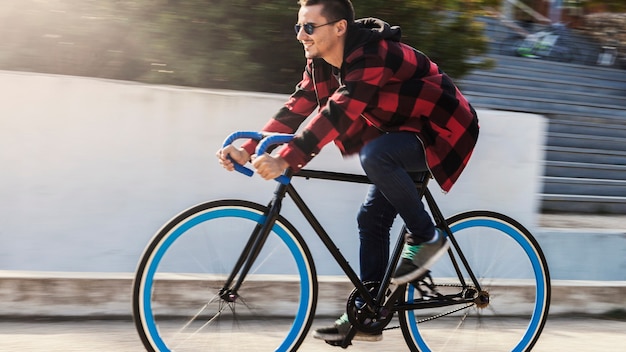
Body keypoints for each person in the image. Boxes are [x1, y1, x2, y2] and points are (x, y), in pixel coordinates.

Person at [217, 0, 479, 343]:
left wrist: (287, 158)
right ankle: (370, 314)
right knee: (370, 219)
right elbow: (298, 104)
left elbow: (340, 110)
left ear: (339, 27)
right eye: (298, 26)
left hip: (444, 129)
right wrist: (249, 147)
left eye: (309, 27)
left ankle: (427, 237)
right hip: (402, 133)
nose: (301, 36)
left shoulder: (373, 55)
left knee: (376, 157)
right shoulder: (321, 63)